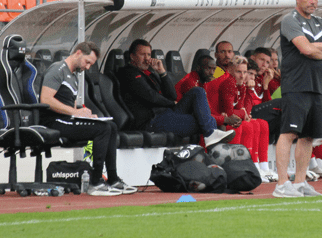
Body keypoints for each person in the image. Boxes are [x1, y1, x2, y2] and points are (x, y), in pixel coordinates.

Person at [273, 0, 322, 198]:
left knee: (308, 137)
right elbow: (304, 48)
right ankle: (282, 183)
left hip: (315, 87)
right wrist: (319, 49)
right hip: (296, 85)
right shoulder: (289, 20)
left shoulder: (320, 22)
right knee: (288, 133)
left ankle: (300, 183)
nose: (313, 1)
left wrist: (316, 48)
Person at [39, 41, 134, 196]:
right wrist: (74, 112)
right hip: (54, 121)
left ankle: (113, 179)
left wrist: (83, 112)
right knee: (102, 130)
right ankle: (95, 182)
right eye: (87, 62)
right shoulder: (57, 70)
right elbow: (46, 99)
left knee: (111, 126)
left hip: (67, 119)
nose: (88, 67)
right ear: (78, 53)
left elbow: (70, 104)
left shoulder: (73, 76)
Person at [116, 39, 235, 147]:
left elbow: (172, 94)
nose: (147, 58)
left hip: (165, 113)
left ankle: (210, 135)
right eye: (143, 54)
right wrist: (172, 103)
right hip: (151, 120)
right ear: (132, 56)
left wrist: (162, 73)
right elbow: (150, 96)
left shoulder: (150, 73)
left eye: (148, 54)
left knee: (198, 91)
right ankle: (210, 137)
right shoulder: (128, 73)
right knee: (208, 122)